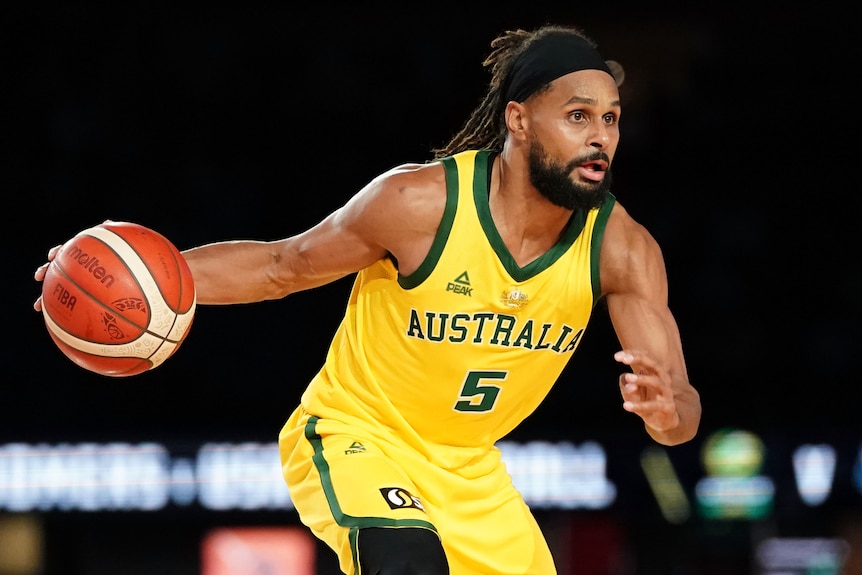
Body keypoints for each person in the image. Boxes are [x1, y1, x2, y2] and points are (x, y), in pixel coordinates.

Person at [34, 23, 700, 575]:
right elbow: (278, 265)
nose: (601, 136)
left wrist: (669, 411)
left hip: (472, 471)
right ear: (519, 121)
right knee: (407, 559)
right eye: (579, 115)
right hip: (358, 435)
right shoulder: (417, 205)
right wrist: (141, 276)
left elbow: (680, 416)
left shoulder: (623, 247)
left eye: (610, 119)